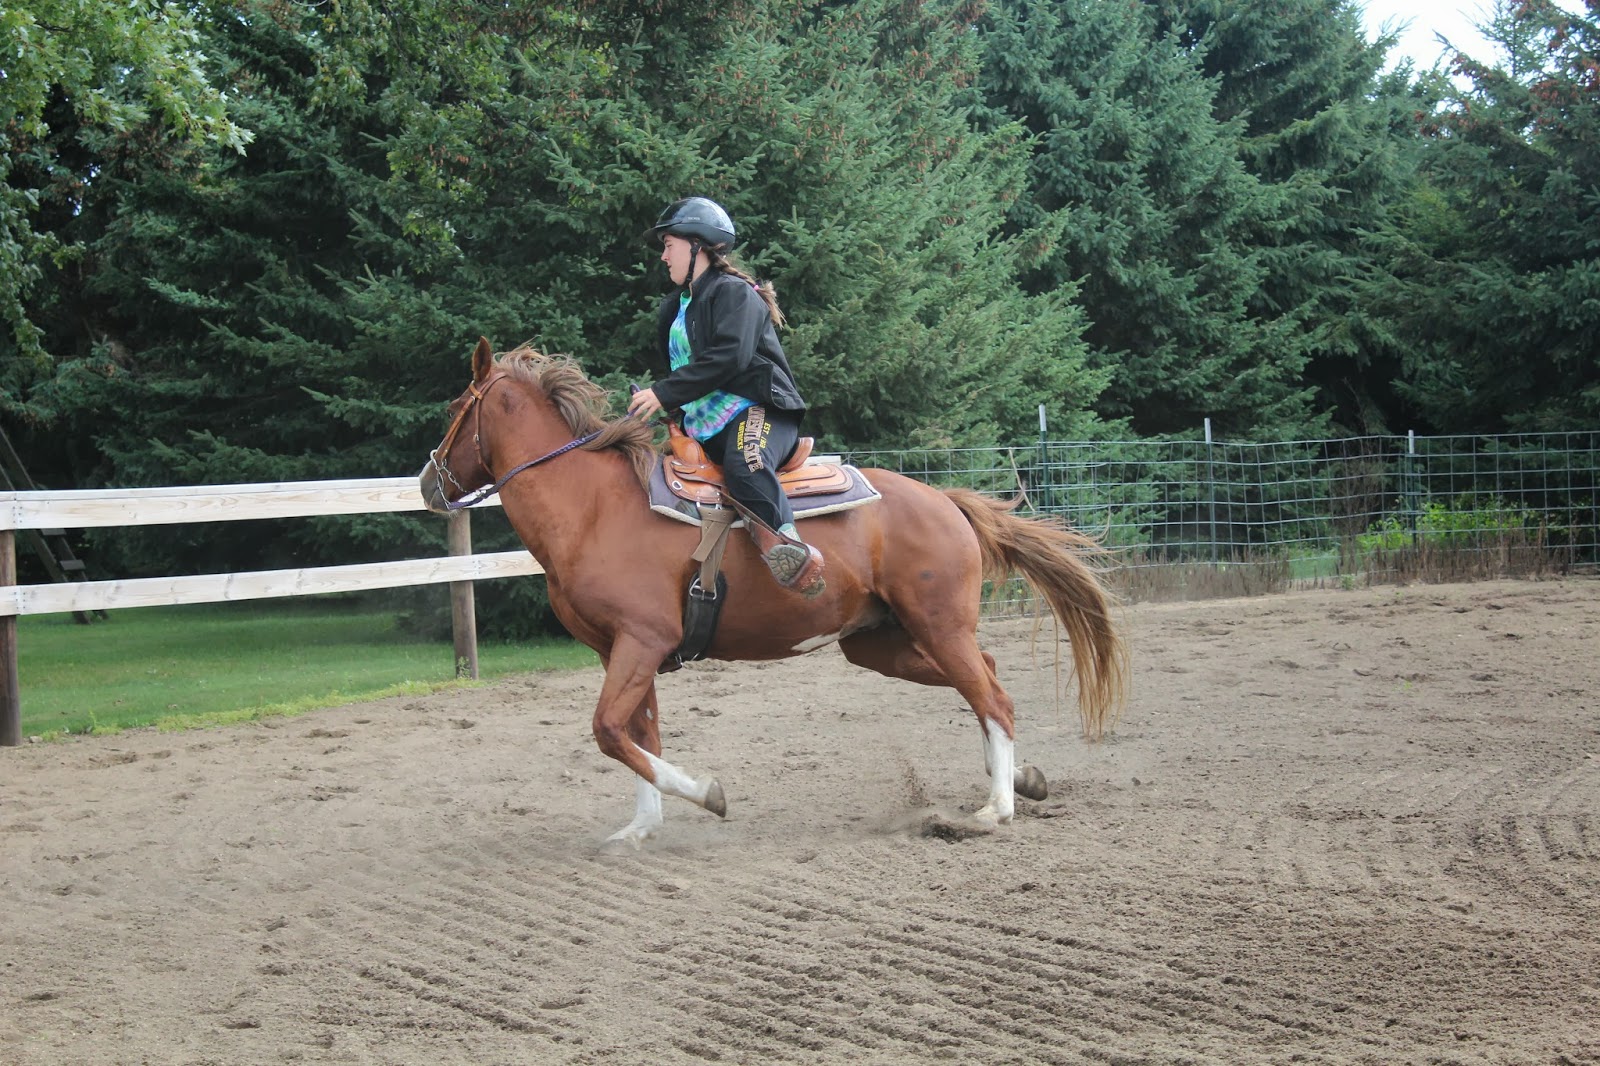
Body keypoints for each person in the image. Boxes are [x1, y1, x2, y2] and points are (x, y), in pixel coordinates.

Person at [627, 196, 825, 597]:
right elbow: (685, 370)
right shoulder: (674, 308)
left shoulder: (735, 293)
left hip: (758, 411)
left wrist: (663, 393)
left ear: (698, 244)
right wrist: (669, 408)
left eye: (669, 245)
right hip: (703, 427)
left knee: (746, 460)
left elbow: (729, 358)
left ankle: (790, 548)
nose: (664, 256)